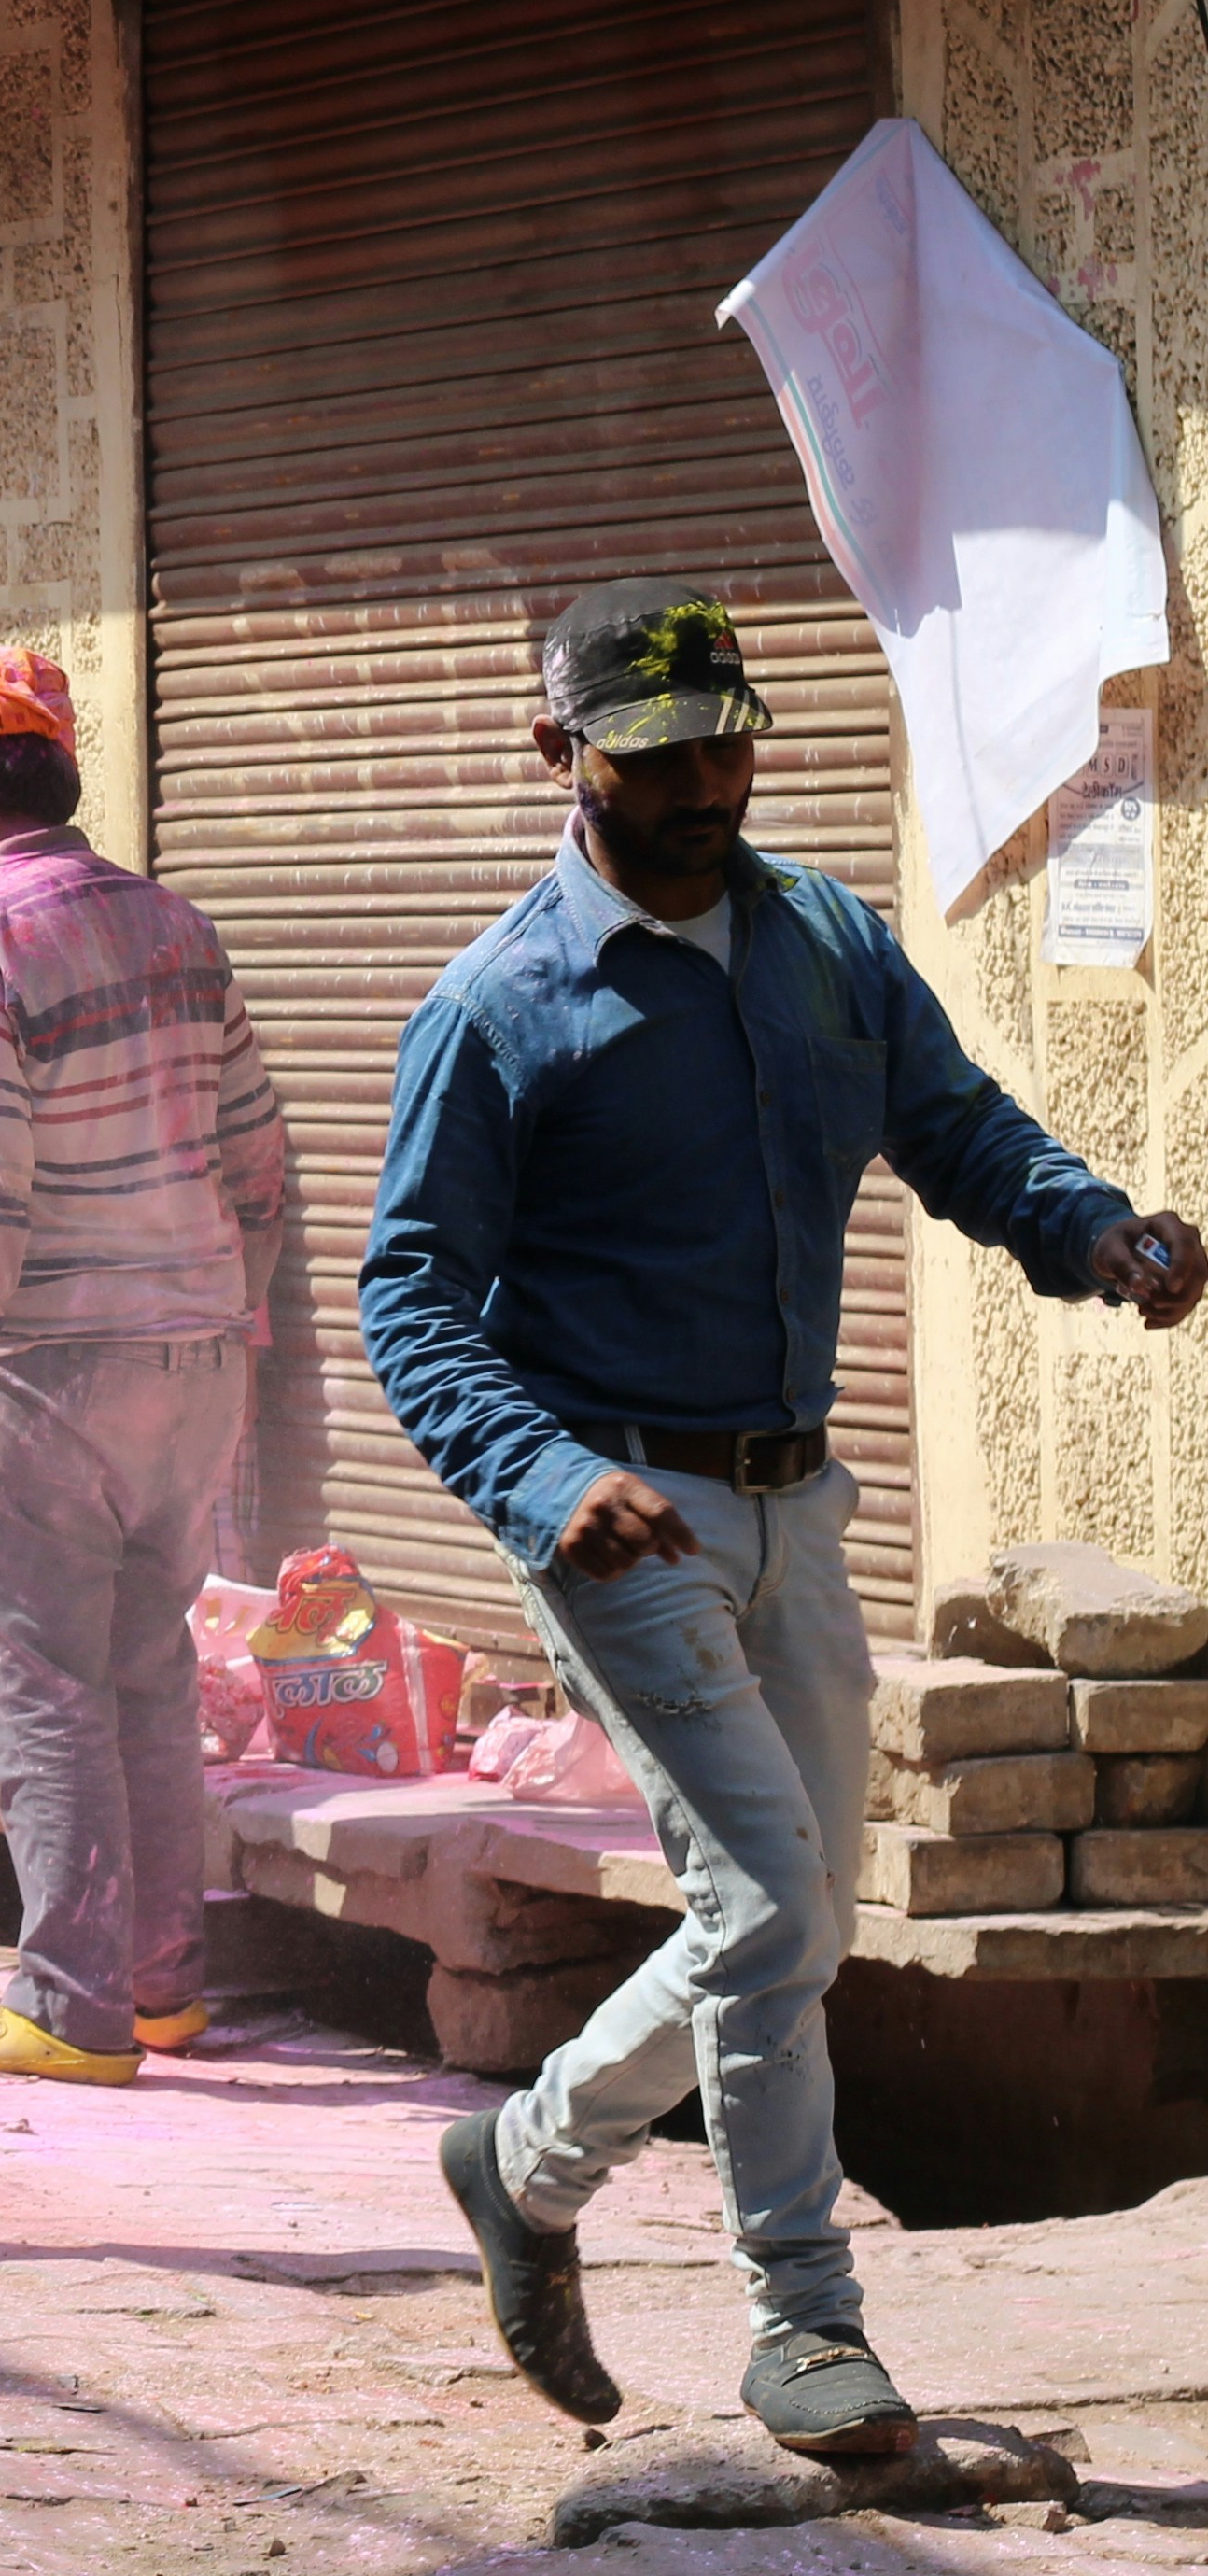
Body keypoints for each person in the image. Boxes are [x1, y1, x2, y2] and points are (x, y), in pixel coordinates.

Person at [368, 581, 1201, 2459]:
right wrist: (543, 1476)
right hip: (623, 1516)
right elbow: (410, 1297)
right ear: (561, 758)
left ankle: (526, 2158)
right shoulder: (500, 1007)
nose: (707, 786)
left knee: (798, 1920)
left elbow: (962, 1130)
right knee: (762, 1901)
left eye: (729, 743)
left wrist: (1089, 1227)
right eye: (661, 759)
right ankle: (803, 2321)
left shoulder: (826, 941)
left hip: (795, 1505)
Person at [0, 644, 288, 2090]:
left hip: (43, 1367)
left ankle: (69, 2002)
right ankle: (160, 1985)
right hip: (191, 1360)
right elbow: (259, 1150)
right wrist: (224, 1308)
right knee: (141, 1672)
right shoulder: (175, 921)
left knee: (36, 1685)